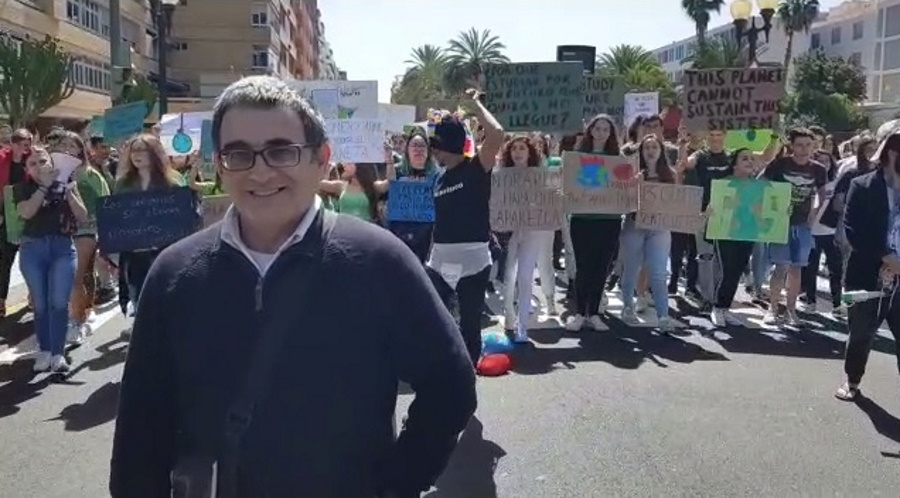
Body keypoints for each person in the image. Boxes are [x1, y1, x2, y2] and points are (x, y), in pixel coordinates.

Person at [110, 75, 477, 498]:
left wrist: (394, 486)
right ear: (220, 164)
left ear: (322, 159)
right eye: (239, 153)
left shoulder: (381, 261)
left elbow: (450, 385)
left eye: (282, 151)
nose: (261, 171)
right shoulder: (173, 274)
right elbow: (141, 426)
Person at [427, 89, 504, 364]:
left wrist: (476, 105)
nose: (433, 153)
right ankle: (442, 366)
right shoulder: (439, 178)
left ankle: (467, 380)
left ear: (450, 146)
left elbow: (497, 134)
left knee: (471, 325)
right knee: (432, 315)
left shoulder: (476, 167)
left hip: (473, 261)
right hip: (441, 261)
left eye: (437, 147)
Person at [834, 128, 900, 401]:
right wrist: (887, 258)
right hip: (866, 274)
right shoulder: (861, 185)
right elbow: (853, 230)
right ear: (891, 152)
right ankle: (852, 380)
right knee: (861, 333)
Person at [16, 146, 88, 372]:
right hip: (33, 249)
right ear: (27, 169)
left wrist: (67, 190)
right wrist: (44, 188)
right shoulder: (23, 188)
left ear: (52, 162)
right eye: (33, 164)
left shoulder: (67, 184)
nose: (39, 167)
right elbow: (26, 212)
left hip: (62, 248)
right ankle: (45, 350)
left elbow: (83, 216)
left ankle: (58, 353)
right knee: (40, 304)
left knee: (58, 302)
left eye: (43, 161)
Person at [760, 128, 828, 326]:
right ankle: (773, 309)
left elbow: (822, 196)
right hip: (780, 222)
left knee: (797, 269)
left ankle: (791, 310)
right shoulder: (779, 164)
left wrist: (814, 213)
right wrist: (774, 205)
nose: (805, 149)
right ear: (791, 146)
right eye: (800, 145)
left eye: (808, 145)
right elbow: (760, 184)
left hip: (803, 224)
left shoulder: (818, 169)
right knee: (780, 267)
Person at [565, 115, 622, 331]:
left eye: (605, 129)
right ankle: (580, 313)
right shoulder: (578, 157)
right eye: (597, 128)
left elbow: (624, 186)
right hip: (582, 219)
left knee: (601, 268)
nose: (601, 132)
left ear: (611, 133)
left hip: (609, 220)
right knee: (583, 267)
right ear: (590, 131)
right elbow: (569, 184)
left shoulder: (618, 158)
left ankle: (595, 313)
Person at [499, 136, 556, 343]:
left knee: (524, 277)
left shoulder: (542, 177)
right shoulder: (501, 176)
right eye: (513, 148)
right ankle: (509, 316)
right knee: (508, 277)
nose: (518, 152)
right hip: (509, 232)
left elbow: (550, 202)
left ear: (530, 152)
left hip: (532, 232)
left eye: (522, 148)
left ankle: (523, 325)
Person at [619, 134, 678, 332]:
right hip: (635, 225)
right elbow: (622, 202)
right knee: (631, 268)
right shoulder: (632, 173)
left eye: (655, 147)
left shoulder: (670, 174)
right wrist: (633, 185)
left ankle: (663, 316)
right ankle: (628, 306)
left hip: (660, 229)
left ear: (661, 152)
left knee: (659, 273)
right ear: (641, 152)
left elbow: (677, 202)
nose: (651, 151)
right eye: (647, 148)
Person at [708, 149, 757, 327]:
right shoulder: (723, 184)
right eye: (745, 158)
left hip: (748, 233)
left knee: (737, 272)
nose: (749, 161)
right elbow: (711, 208)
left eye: (752, 158)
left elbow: (767, 210)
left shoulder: (759, 187)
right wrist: (709, 211)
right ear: (734, 164)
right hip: (725, 233)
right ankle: (717, 308)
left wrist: (782, 212)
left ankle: (726, 309)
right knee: (727, 271)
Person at [0, 128, 31, 317]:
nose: (23, 148)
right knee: (4, 260)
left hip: (29, 215)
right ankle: (1, 301)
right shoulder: (2, 159)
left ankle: (34, 296)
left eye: (26, 144)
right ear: (12, 143)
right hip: (5, 217)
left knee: (30, 260)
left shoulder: (33, 159)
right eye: (19, 143)